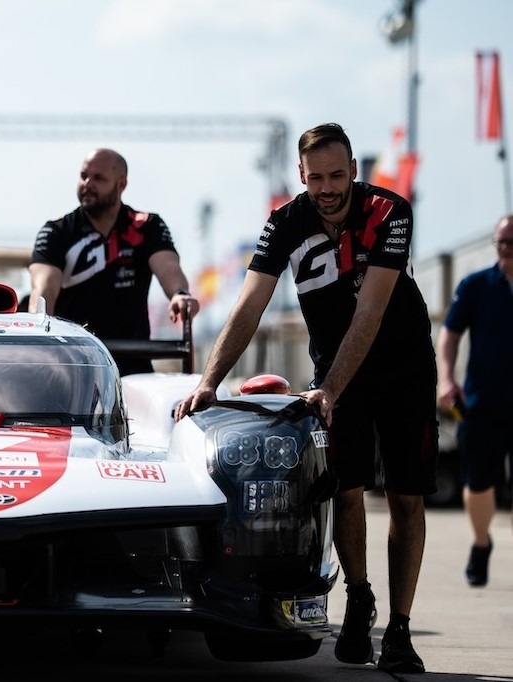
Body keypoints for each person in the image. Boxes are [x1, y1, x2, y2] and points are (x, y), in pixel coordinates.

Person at [174, 123, 435, 674]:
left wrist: (331, 388)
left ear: (353, 173)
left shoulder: (389, 212)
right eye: (316, 177)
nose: (327, 188)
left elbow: (371, 313)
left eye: (337, 175)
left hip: (403, 367)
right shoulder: (285, 221)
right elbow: (249, 305)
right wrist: (208, 381)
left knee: (408, 498)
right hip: (333, 375)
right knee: (346, 490)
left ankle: (402, 629)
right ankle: (360, 598)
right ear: (301, 176)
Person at [28, 148, 200, 375]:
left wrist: (180, 294)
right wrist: (36, 330)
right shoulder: (57, 231)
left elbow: (168, 267)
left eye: (98, 178)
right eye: (83, 176)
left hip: (133, 364)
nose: (87, 184)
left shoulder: (147, 226)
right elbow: (43, 290)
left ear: (121, 184)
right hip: (72, 365)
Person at [436, 214, 513, 587]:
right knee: (479, 482)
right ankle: (481, 544)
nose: (506, 248)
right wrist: (447, 378)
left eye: (512, 242)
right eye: (502, 242)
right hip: (484, 402)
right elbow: (449, 336)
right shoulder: (476, 286)